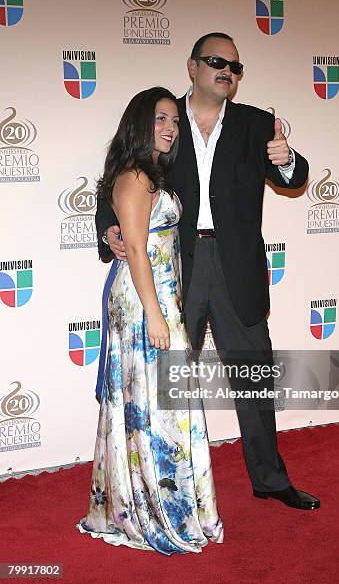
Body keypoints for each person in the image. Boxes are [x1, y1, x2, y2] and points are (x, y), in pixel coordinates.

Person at [96, 33, 320, 511]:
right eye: (218, 62)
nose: (228, 72)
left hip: (237, 268)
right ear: (192, 66)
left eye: (236, 67)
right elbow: (117, 173)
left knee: (254, 376)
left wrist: (286, 162)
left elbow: (296, 177)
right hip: (178, 267)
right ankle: (164, 486)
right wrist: (109, 228)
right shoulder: (163, 119)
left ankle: (270, 479)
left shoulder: (258, 124)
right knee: (168, 381)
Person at [78, 87, 224, 554]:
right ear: (140, 124)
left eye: (174, 122)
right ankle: (154, 511)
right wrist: (157, 317)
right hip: (145, 304)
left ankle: (170, 503)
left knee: (165, 405)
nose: (169, 128)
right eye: (160, 119)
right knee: (151, 406)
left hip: (160, 299)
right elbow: (137, 250)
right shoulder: (135, 177)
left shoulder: (153, 175)